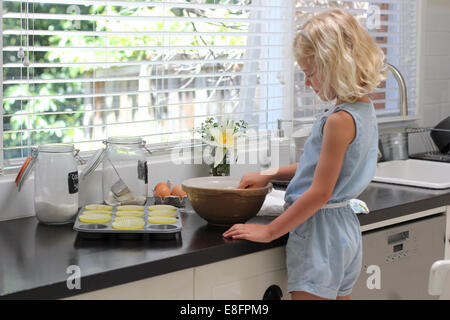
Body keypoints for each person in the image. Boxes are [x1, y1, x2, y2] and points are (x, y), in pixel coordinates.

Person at [223, 8, 386, 300]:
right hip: (344, 231)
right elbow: (321, 167)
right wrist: (268, 174)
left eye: (310, 73)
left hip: (318, 234)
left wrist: (269, 231)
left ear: (335, 66)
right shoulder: (364, 111)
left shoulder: (338, 120)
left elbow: (319, 192)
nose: (308, 82)